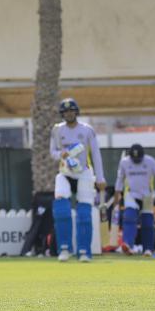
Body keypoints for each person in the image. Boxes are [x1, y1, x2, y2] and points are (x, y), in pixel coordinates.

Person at [48, 97, 106, 262]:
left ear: (76, 112)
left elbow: (96, 154)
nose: (69, 114)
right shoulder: (57, 130)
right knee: (61, 211)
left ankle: (84, 251)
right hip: (65, 173)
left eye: (71, 110)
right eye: (65, 112)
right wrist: (61, 154)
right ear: (62, 114)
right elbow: (52, 152)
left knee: (84, 214)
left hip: (84, 173)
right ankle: (65, 248)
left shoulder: (87, 130)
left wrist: (100, 178)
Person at [115, 143, 155, 256]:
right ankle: (128, 244)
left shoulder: (150, 161)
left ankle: (148, 249)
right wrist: (117, 193)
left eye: (139, 159)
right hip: (131, 194)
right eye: (134, 159)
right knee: (129, 217)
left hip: (147, 195)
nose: (137, 161)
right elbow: (120, 179)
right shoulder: (124, 162)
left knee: (148, 222)